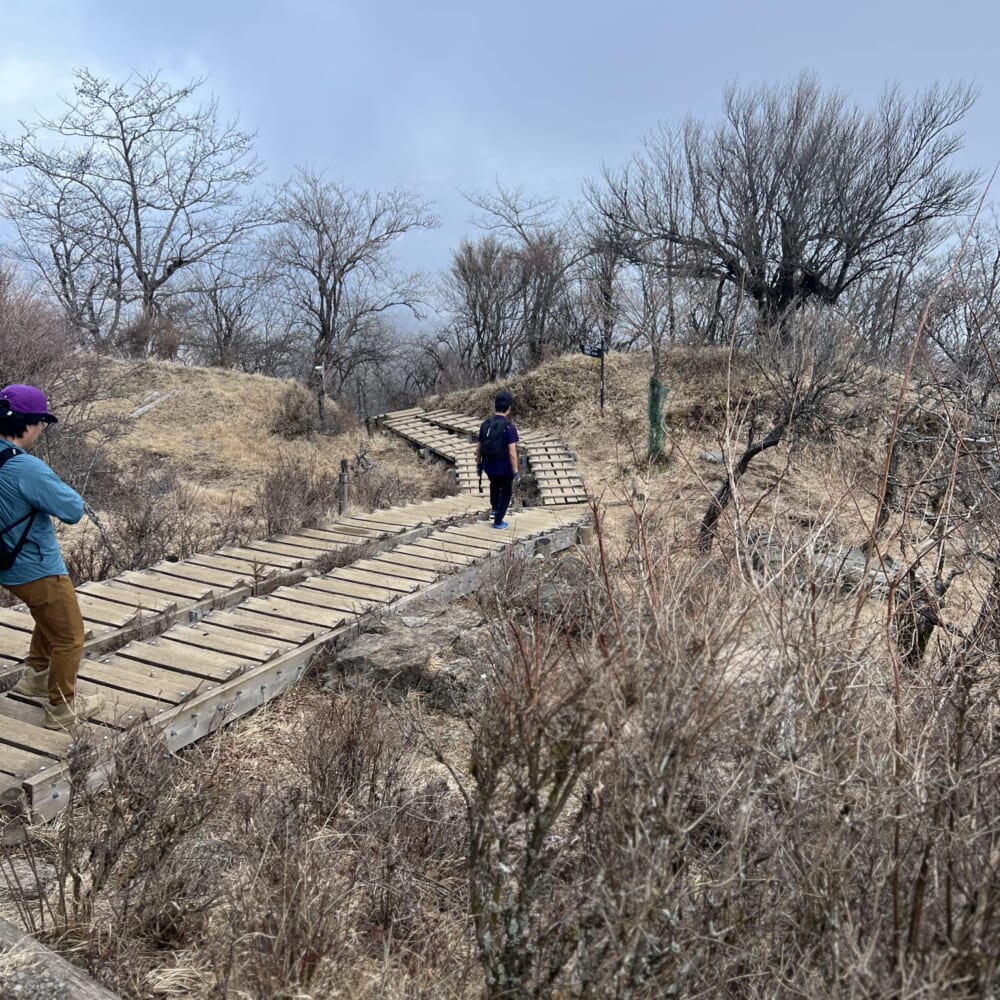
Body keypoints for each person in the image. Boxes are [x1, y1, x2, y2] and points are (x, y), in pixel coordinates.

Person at [0, 384, 103, 730]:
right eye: (42, 422)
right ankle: (62, 707)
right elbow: (72, 509)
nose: (42, 430)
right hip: (35, 566)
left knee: (48, 615)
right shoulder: (24, 467)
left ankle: (35, 676)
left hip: (7, 565)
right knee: (70, 636)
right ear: (26, 424)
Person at [476, 389, 520, 530]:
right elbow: (512, 453)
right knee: (506, 492)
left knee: (494, 485)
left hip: (489, 466)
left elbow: (478, 448)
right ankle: (498, 521)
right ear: (509, 408)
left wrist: (478, 464)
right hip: (504, 468)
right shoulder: (509, 427)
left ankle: (494, 510)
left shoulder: (485, 424)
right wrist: (516, 472)